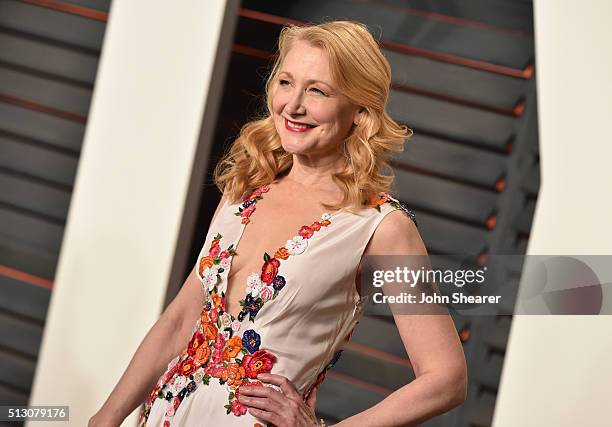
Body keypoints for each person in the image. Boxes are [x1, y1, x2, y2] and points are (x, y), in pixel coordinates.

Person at [89, 20, 467, 427]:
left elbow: (446, 379)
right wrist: (107, 417)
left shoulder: (381, 228)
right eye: (286, 82)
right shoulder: (243, 189)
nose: (293, 105)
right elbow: (181, 318)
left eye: (318, 90)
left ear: (359, 111)